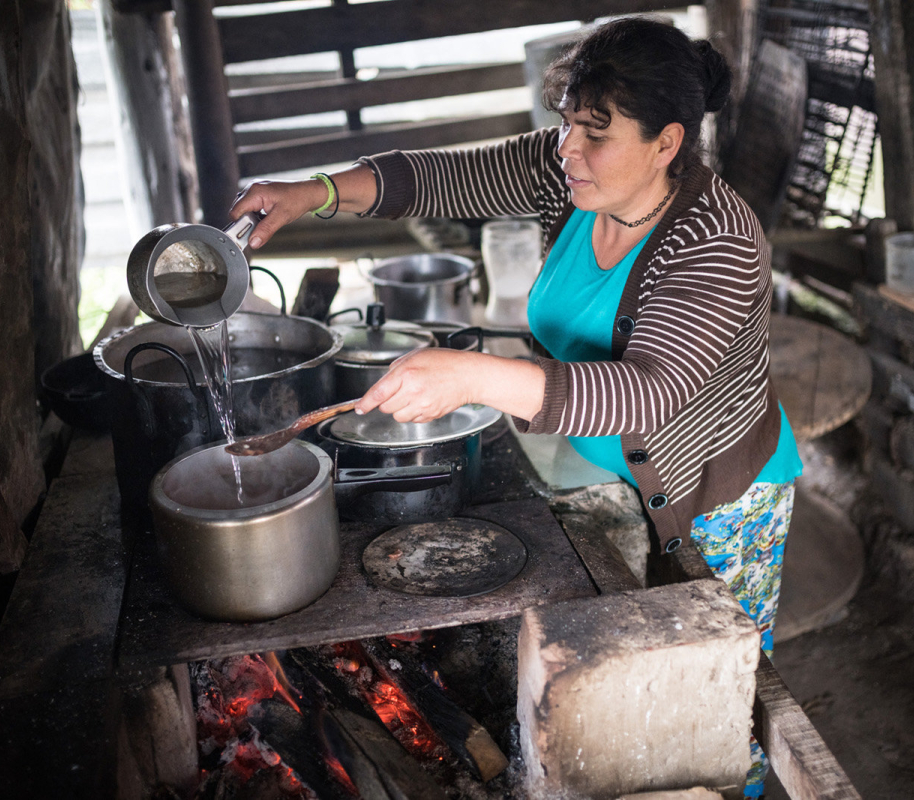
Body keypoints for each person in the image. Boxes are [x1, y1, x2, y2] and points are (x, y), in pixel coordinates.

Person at [231, 16, 802, 796]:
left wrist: (473, 374)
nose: (567, 148)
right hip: (603, 474)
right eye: (567, 124)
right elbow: (443, 179)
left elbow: (648, 389)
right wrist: (316, 192)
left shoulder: (717, 238)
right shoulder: (569, 173)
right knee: (621, 681)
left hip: (712, 495)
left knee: (720, 699)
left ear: (667, 143)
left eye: (595, 134)